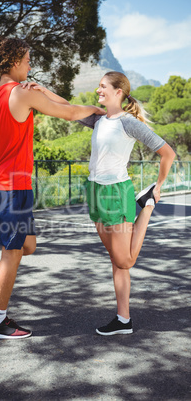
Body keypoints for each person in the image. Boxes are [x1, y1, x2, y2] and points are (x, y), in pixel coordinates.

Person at [0, 36, 105, 340]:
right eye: (28, 60)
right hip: (15, 186)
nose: (30, 65)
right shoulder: (20, 94)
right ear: (15, 61)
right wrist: (98, 111)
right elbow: (68, 112)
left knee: (28, 245)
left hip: (0, 185)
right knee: (11, 252)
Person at [77, 71, 175, 336]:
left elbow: (168, 152)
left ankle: (147, 205)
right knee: (117, 261)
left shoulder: (129, 123)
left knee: (126, 260)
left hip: (116, 193)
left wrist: (159, 185)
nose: (98, 90)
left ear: (118, 92)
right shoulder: (98, 119)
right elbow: (65, 109)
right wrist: (39, 90)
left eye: (103, 86)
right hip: (95, 191)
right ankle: (123, 320)